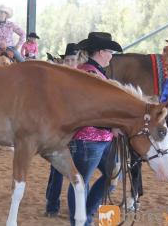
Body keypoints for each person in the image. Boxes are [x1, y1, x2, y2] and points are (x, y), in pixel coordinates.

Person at [67, 32, 123, 226]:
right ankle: (80, 222)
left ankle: (86, 217)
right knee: (81, 183)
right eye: (109, 52)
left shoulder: (93, 71)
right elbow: (92, 109)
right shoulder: (89, 73)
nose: (111, 56)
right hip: (89, 139)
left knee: (113, 174)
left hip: (100, 138)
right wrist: (111, 125)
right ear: (100, 52)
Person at [44, 43, 79, 217]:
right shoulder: (58, 79)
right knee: (57, 169)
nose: (70, 64)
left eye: (73, 60)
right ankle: (52, 205)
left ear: (78, 60)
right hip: (60, 129)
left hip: (76, 130)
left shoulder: (82, 80)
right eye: (67, 60)